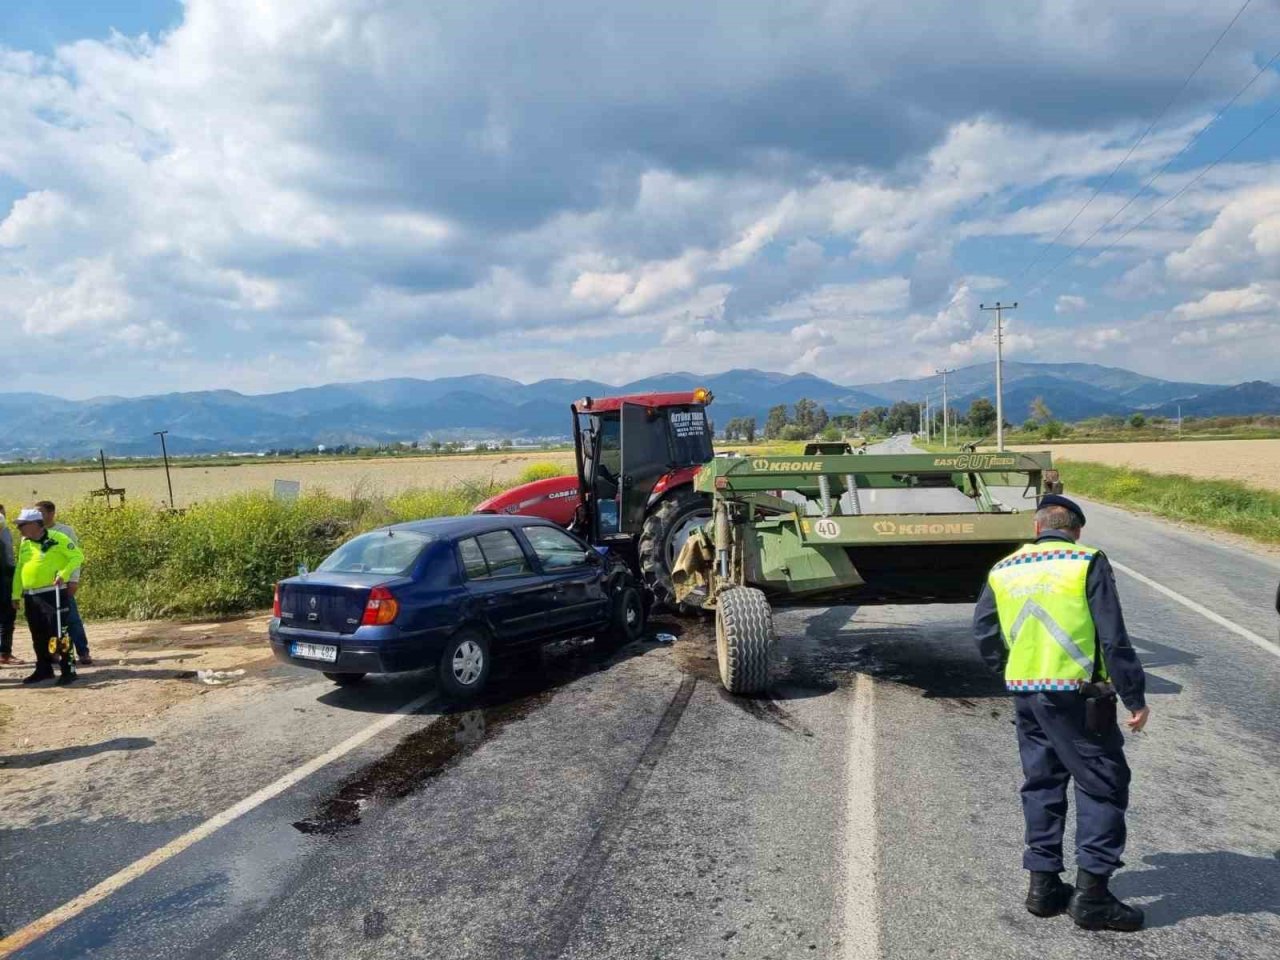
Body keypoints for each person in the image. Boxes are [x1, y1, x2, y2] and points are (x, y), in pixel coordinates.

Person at [972, 494, 1150, 932]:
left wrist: (1011, 671)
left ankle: (1044, 888)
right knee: (1104, 784)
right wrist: (1135, 696)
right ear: (1076, 529)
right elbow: (1113, 636)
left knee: (1042, 783)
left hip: (1027, 693)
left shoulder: (1005, 568)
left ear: (1036, 528)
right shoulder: (1086, 561)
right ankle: (1092, 897)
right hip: (1078, 695)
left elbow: (984, 631)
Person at [12, 507, 84, 686]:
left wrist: (65, 574)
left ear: (36, 524)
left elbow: (77, 556)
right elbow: (20, 568)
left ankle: (68, 669)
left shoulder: (57, 538)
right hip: (31, 595)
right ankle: (44, 669)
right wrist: (15, 594)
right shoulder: (25, 543)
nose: (19, 528)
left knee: (59, 632)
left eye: (22, 525)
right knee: (38, 634)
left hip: (53, 594)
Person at [35, 500, 92, 664]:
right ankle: (55, 652)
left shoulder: (65, 531)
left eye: (40, 513)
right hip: (42, 586)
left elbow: (75, 557)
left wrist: (73, 580)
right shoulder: (33, 533)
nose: (37, 516)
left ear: (51, 513)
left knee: (71, 619)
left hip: (62, 583)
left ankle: (83, 651)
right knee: (49, 622)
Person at [0, 505, 17, 665]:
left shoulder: (5, 531)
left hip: (6, 577)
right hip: (5, 578)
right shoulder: (4, 531)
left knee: (6, 618)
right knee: (6, 617)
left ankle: (5, 653)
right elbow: (8, 558)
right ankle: (4, 653)